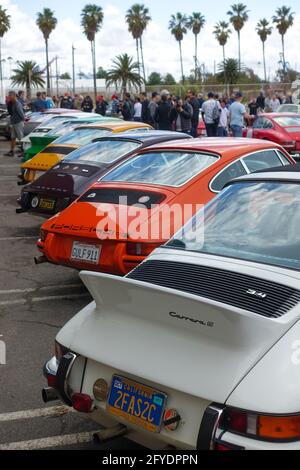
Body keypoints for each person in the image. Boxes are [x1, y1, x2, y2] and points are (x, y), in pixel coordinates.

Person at [5, 91, 25, 157]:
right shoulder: (12, 103)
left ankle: (24, 152)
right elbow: (10, 112)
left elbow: (21, 113)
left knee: (20, 138)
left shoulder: (17, 103)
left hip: (18, 123)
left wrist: (23, 120)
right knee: (13, 137)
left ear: (13, 96)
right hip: (14, 122)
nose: (9, 97)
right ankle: (11, 151)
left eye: (10, 96)